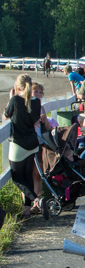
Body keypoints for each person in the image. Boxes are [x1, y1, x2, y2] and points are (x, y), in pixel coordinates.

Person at [5, 74, 44, 217]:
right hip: (32, 142)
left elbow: (6, 115)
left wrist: (11, 98)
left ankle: (36, 200)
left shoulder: (15, 100)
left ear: (18, 86)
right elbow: (35, 119)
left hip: (19, 144)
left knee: (17, 178)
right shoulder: (36, 102)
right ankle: (26, 211)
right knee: (27, 177)